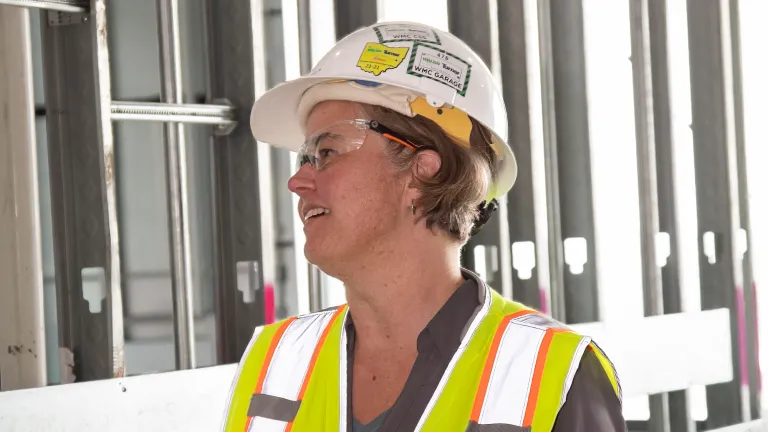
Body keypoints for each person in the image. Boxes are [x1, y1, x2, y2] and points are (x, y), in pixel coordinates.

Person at [220, 21, 626, 432]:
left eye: (326, 151)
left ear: (421, 173)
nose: (297, 182)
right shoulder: (274, 359)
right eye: (303, 158)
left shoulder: (553, 373)